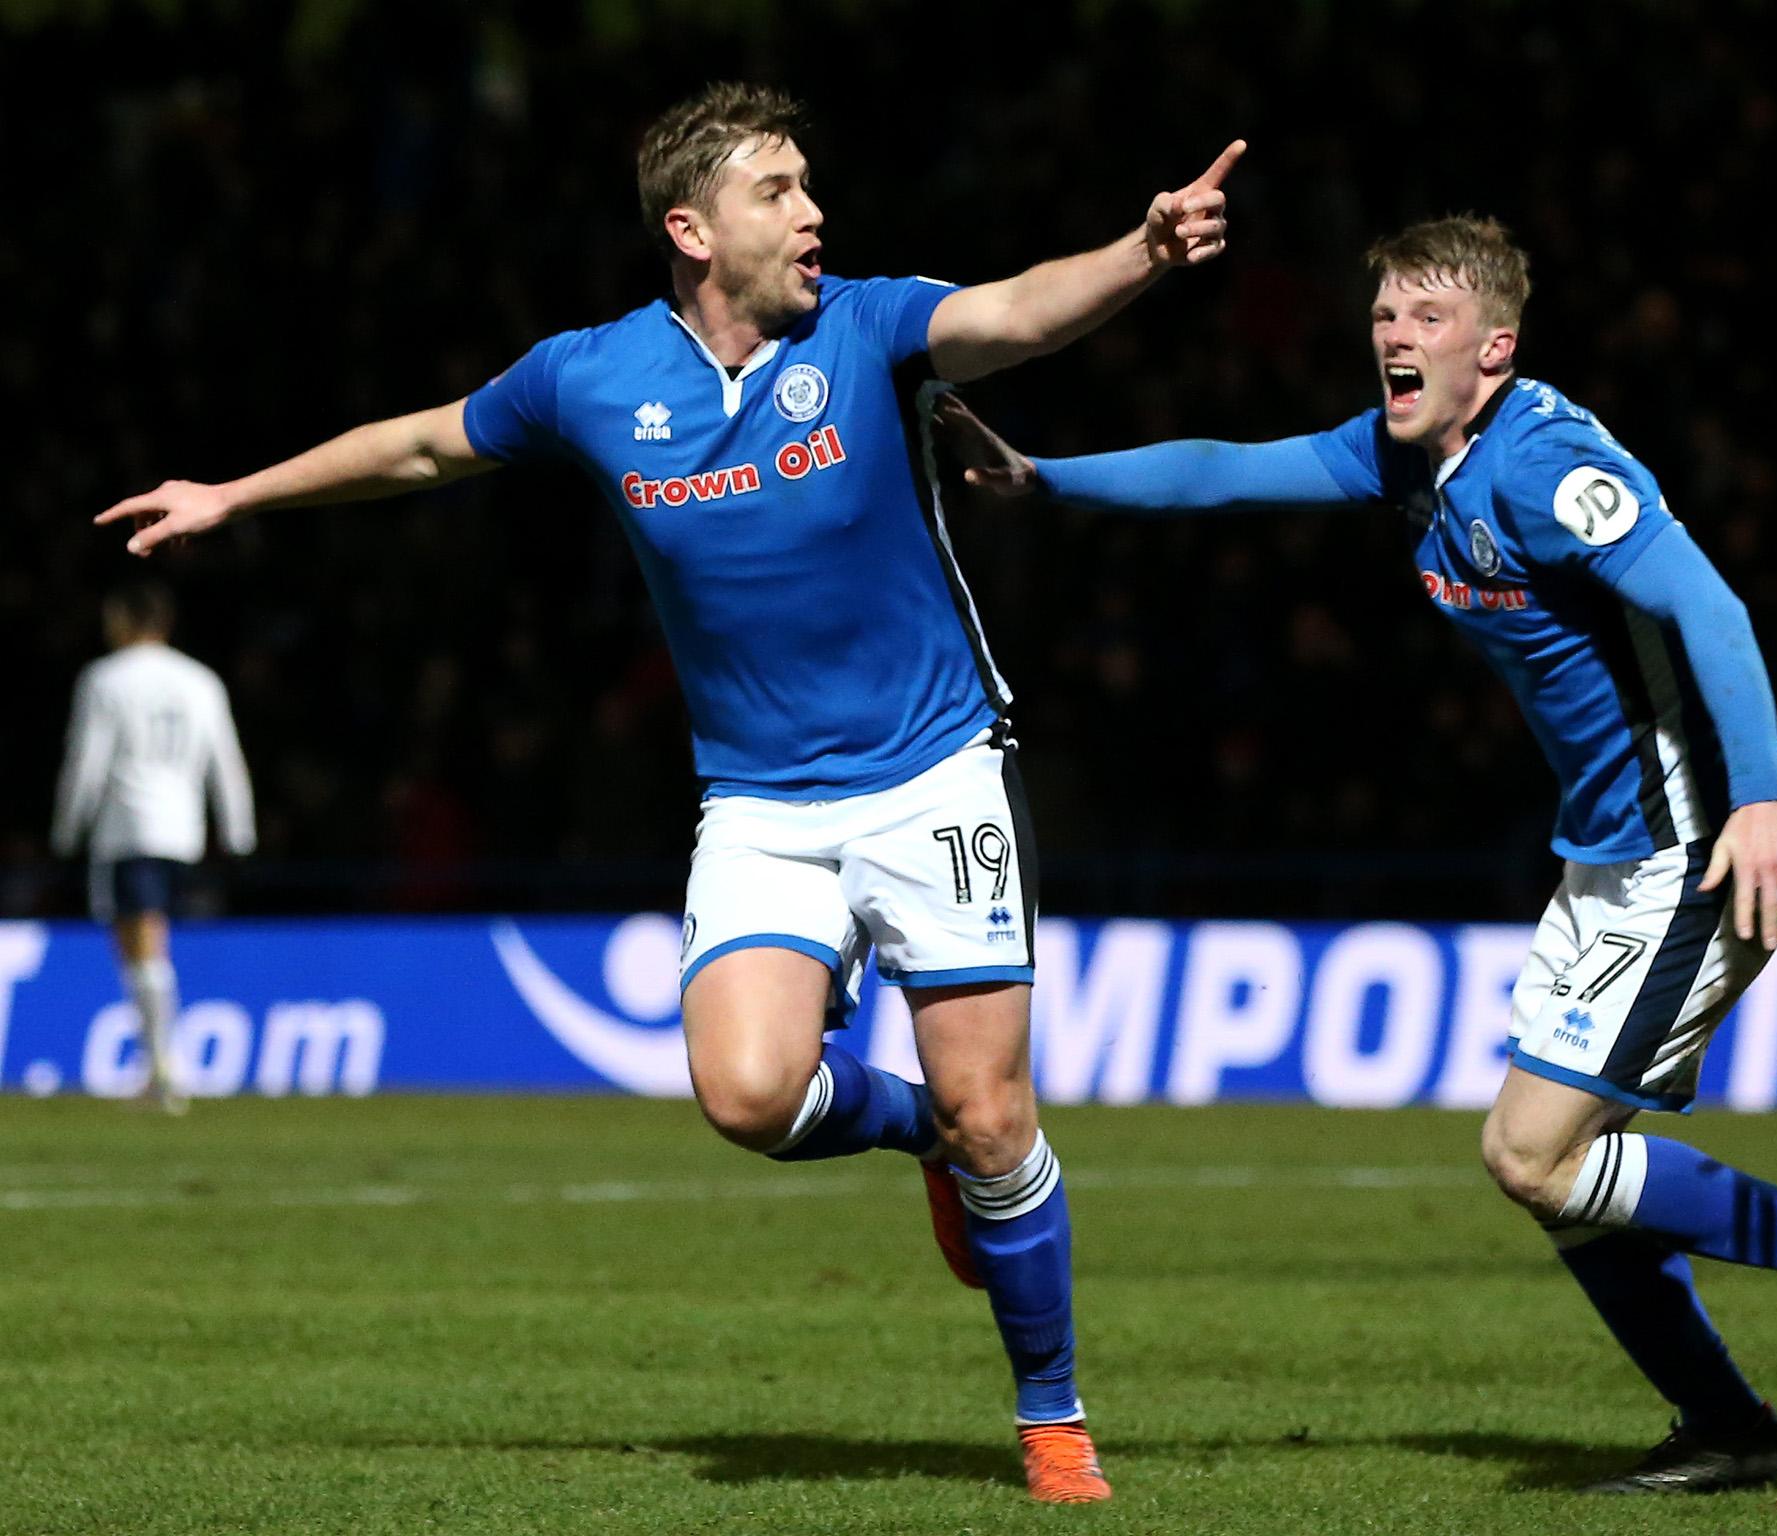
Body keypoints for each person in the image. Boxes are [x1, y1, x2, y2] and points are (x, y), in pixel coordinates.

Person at [96, 81, 1247, 1504]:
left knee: (1001, 1116)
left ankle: (1052, 1424)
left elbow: (1016, 311)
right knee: (748, 1096)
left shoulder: (872, 330)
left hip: (931, 769)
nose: (816, 213)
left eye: (814, 185)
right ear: (692, 228)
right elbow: (420, 445)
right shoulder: (594, 378)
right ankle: (920, 1141)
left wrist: (1141, 250)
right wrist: (236, 496)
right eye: (782, 190)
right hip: (761, 801)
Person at [934, 214, 1777, 1493]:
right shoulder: (1405, 456)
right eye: (1383, 317)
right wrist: (1045, 477)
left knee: (1528, 1152)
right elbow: (1226, 469)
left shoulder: (1547, 464)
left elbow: (1710, 606)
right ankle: (1729, 1429)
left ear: (1496, 349)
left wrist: (1764, 802)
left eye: (1424, 319)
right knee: (1568, 1181)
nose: (1391, 338)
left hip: (1690, 851)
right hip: (1603, 860)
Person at [51, 581, 257, 1113]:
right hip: (183, 830)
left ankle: (167, 1066)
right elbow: (226, 758)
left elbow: (87, 761)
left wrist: (67, 830)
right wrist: (238, 831)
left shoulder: (104, 679)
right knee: (137, 946)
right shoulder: (200, 679)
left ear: (123, 618)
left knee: (143, 940)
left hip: (129, 827)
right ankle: (156, 1065)